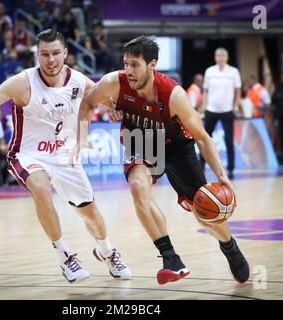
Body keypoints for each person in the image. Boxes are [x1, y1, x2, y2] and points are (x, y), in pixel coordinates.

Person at [0, 29, 131, 283]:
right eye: (44, 54)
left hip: (65, 156)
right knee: (41, 188)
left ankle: (107, 250)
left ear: (65, 54)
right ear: (37, 55)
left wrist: (116, 109)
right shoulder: (22, 82)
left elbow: (104, 101)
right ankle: (65, 257)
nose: (50, 60)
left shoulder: (79, 81)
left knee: (91, 214)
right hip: (28, 154)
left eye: (55, 53)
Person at [72, 36, 249, 285]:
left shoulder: (174, 95)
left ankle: (229, 245)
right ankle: (170, 258)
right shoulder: (116, 82)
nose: (129, 71)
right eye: (125, 64)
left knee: (203, 210)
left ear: (152, 64)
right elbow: (88, 101)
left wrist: (221, 174)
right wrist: (81, 138)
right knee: (137, 187)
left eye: (135, 64)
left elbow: (203, 137)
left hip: (177, 146)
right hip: (142, 142)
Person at [199, 48, 241, 180]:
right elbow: (205, 91)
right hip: (211, 110)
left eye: (223, 55)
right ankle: (201, 166)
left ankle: (231, 168)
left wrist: (235, 106)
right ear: (215, 57)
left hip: (227, 110)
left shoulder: (233, 72)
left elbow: (238, 91)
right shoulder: (209, 71)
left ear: (227, 57)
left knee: (228, 140)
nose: (220, 57)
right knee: (205, 139)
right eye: (218, 55)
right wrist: (204, 107)